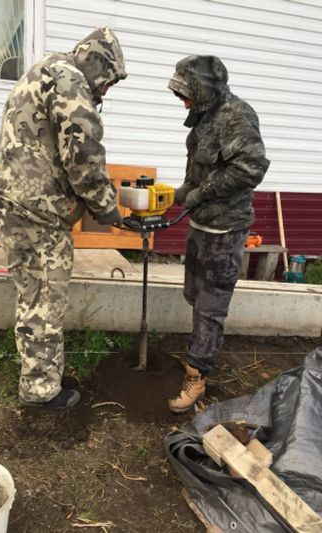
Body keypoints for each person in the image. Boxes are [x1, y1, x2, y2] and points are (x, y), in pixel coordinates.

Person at [0, 27, 127, 409]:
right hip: (32, 213)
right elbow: (83, 154)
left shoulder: (47, 68)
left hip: (11, 201)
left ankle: (40, 372)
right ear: (99, 65)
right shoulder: (72, 82)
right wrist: (107, 206)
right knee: (44, 299)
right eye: (108, 82)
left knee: (34, 293)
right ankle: (41, 392)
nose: (106, 92)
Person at [167, 55, 270, 413]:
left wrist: (203, 192)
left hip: (225, 230)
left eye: (187, 93)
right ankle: (200, 352)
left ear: (205, 89)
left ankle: (197, 375)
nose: (184, 101)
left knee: (211, 307)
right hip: (201, 223)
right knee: (194, 296)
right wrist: (180, 192)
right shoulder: (205, 116)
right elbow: (200, 167)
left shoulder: (236, 116)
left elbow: (251, 168)